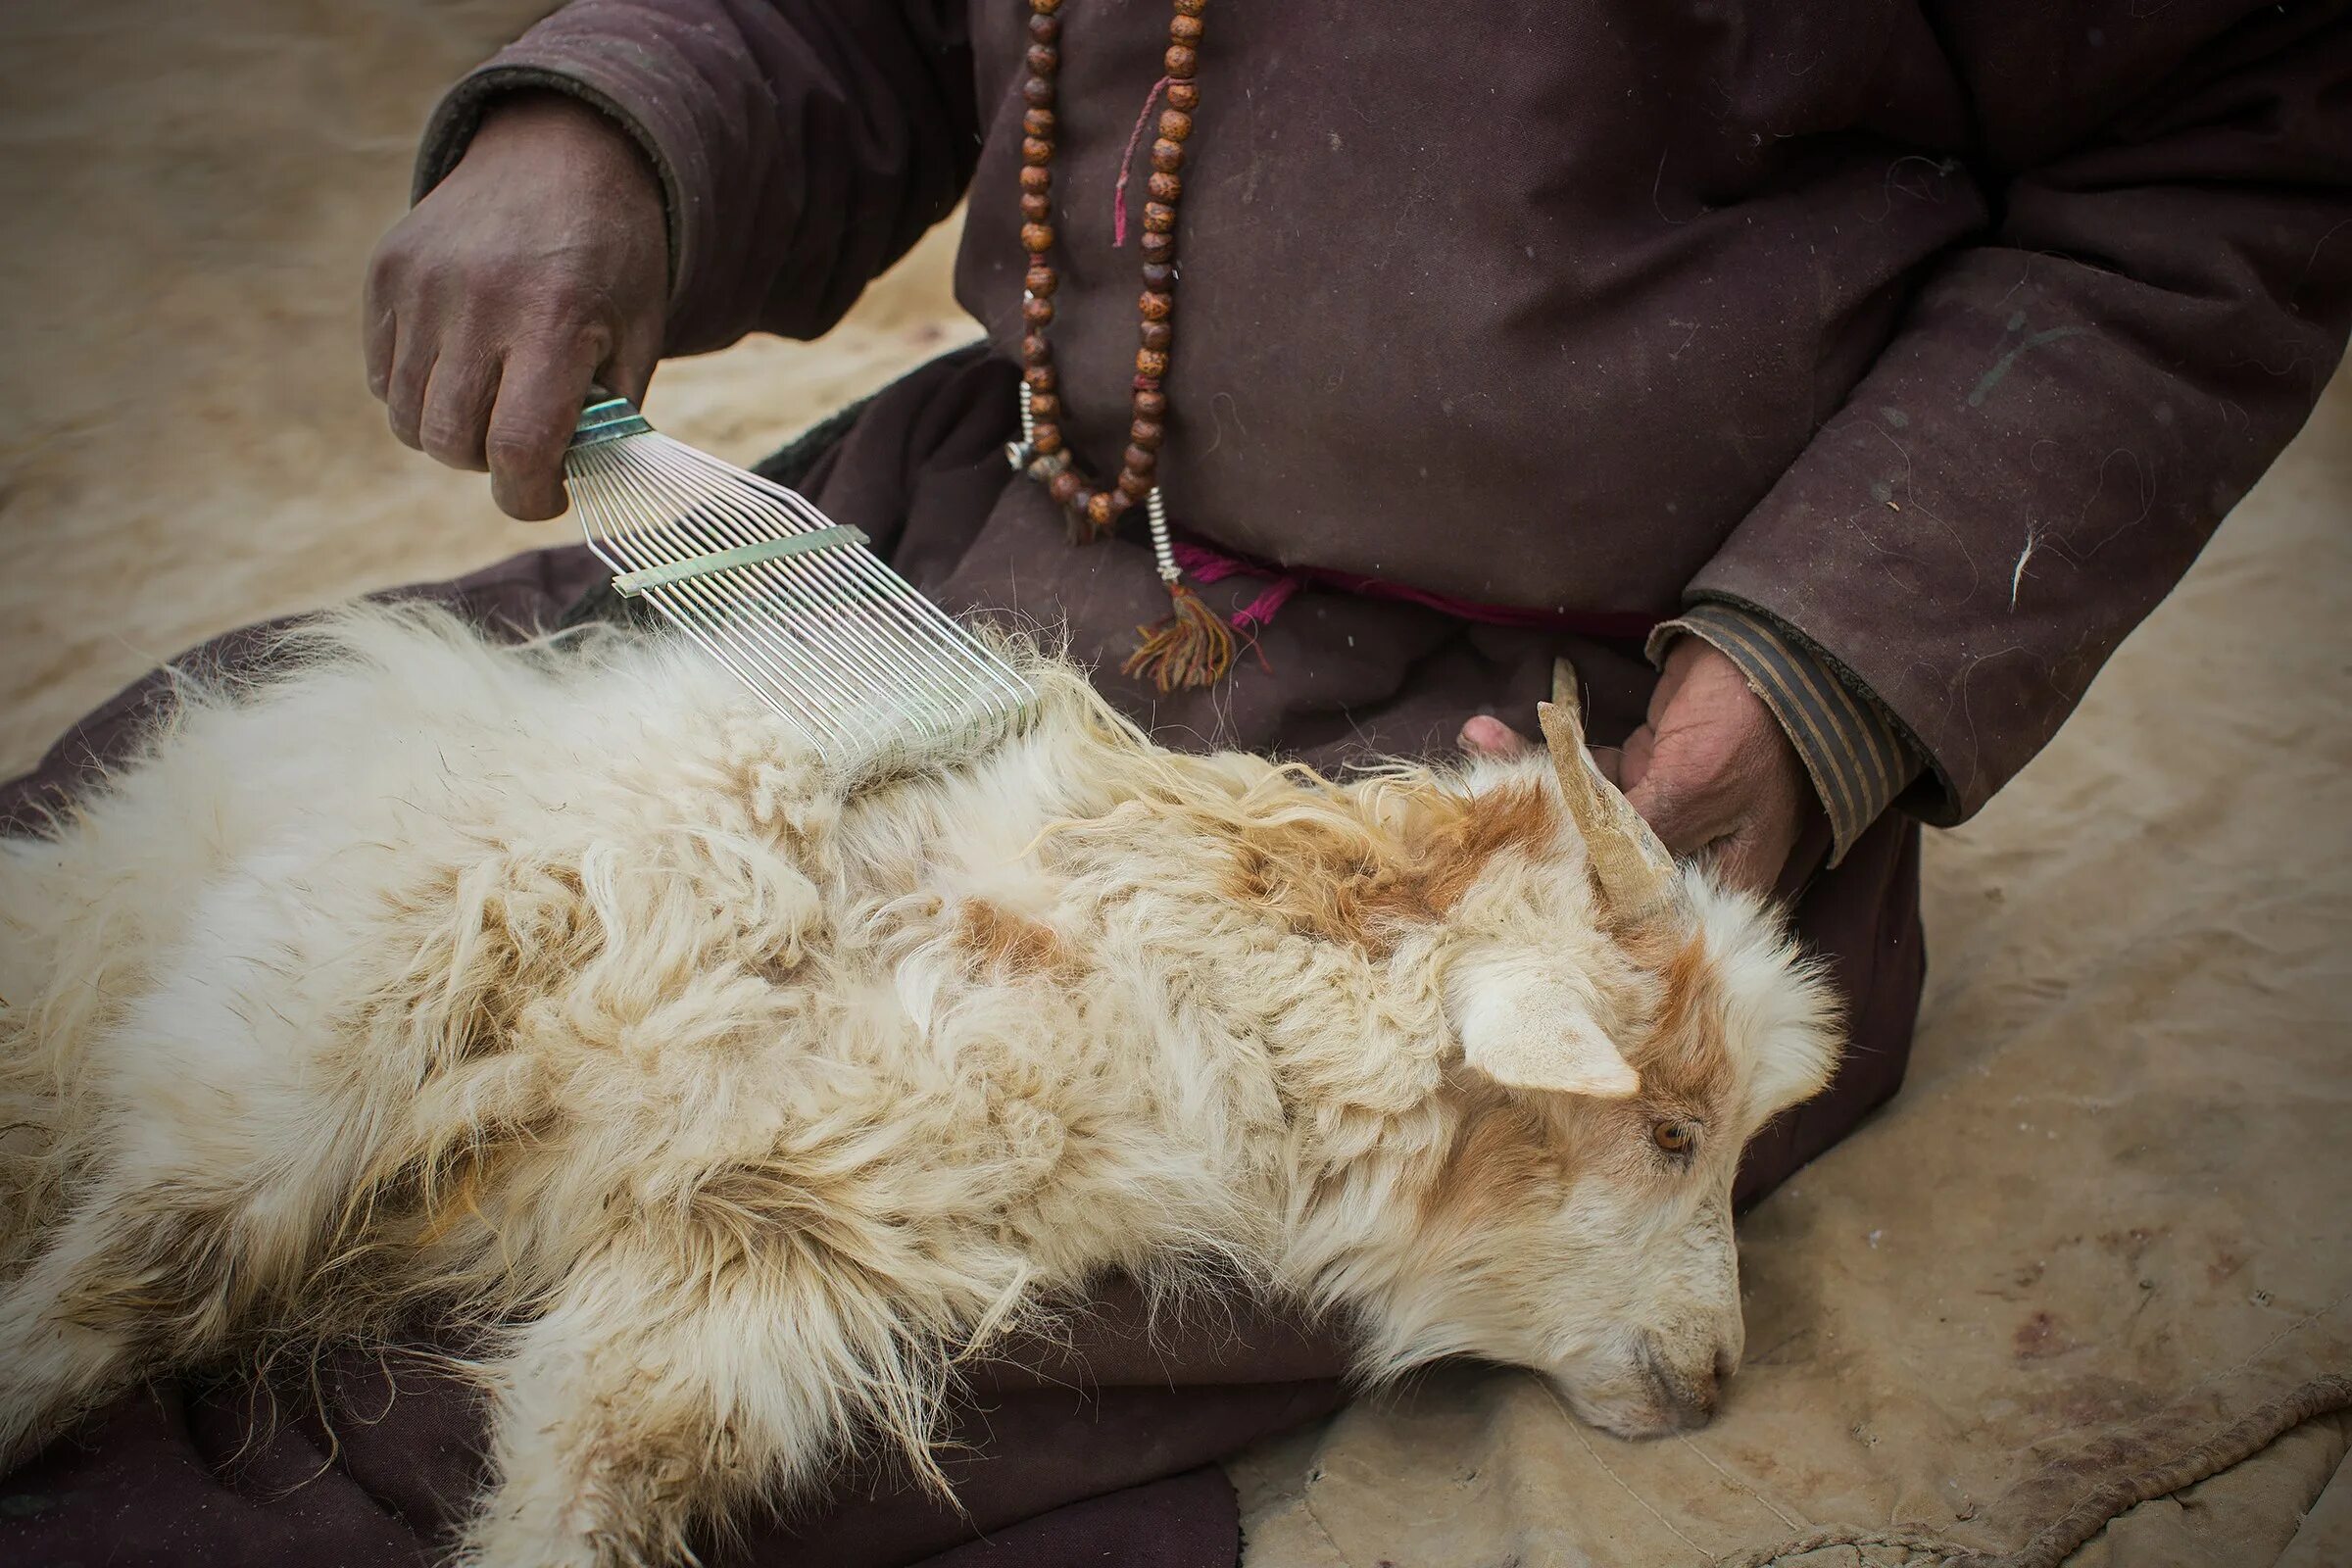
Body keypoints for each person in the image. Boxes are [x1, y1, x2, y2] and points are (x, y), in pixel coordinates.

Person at [362, 1, 2348, 1562]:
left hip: (1560, 771)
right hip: (1012, 533)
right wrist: (617, 115)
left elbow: (2235, 133)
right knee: (307, 900)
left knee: (703, 1309)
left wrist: (1825, 663)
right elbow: (871, 21)